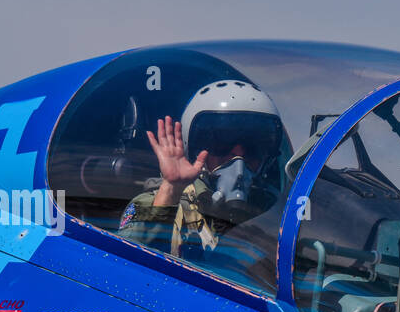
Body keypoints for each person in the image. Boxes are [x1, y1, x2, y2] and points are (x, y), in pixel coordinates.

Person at [118, 80, 286, 280]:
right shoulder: (154, 204)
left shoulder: (278, 218)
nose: (238, 164)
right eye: (221, 145)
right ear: (196, 149)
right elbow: (125, 268)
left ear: (267, 158)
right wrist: (171, 189)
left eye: (253, 149)